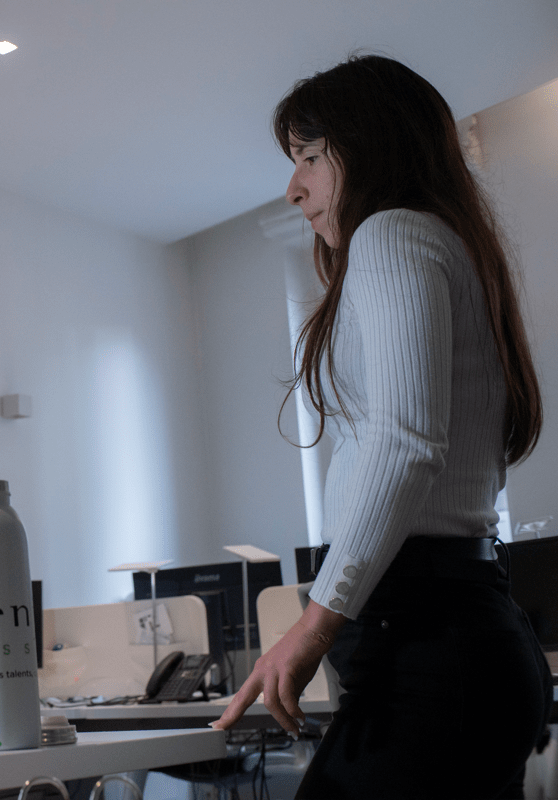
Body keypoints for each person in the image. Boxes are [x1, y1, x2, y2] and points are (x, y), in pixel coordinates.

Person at [211, 55, 552, 799]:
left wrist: (313, 625)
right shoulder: (447, 242)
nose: (294, 188)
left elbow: (404, 442)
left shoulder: (391, 234)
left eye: (309, 157)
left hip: (428, 647)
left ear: (370, 147)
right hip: (462, 632)